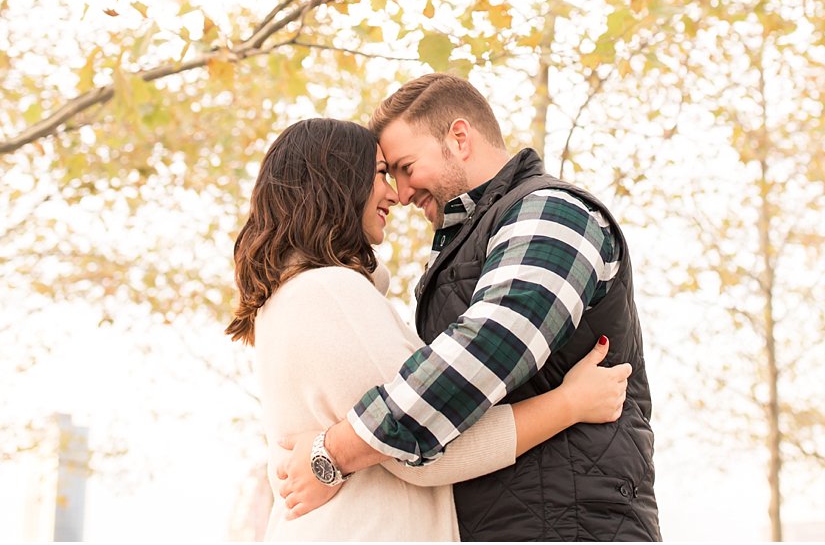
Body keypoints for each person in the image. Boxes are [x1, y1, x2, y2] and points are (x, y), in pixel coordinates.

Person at [277, 74, 660, 541]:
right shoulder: (465, 247)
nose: (399, 192)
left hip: (570, 522)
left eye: (405, 166)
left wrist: (331, 453)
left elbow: (492, 345)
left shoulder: (552, 211)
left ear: (459, 138)